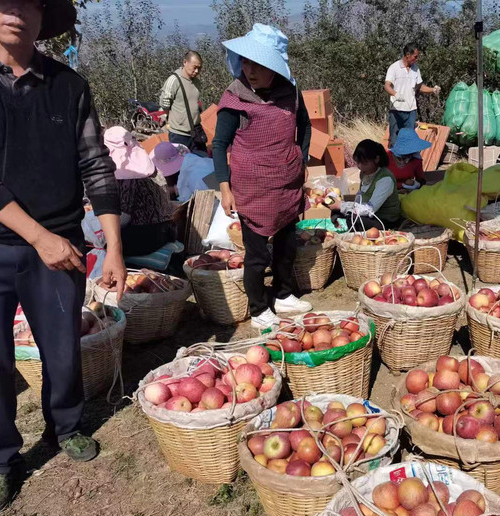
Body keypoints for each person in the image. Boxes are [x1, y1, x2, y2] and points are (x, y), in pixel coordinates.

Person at [0, 0, 126, 514]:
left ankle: (67, 425)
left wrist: (114, 243)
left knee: (60, 345)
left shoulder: (70, 86)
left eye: (31, 2)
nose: (18, 12)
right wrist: (39, 238)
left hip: (59, 243)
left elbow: (96, 163)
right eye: (4, 1)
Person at [212, 24, 312, 330]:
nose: (250, 70)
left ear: (274, 68)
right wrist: (225, 188)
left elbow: (305, 127)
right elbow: (219, 144)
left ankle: (282, 294)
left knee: (286, 244)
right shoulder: (235, 98)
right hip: (252, 190)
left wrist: (302, 160)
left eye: (258, 64)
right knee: (256, 254)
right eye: (246, 61)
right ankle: (258, 309)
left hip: (286, 184)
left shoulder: (291, 93)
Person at [104, 128, 178, 256]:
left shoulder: (127, 175)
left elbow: (123, 218)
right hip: (165, 231)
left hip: (145, 239)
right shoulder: (150, 168)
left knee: (101, 240)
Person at [336, 140, 401, 231]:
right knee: (336, 211)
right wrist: (342, 199)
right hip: (370, 216)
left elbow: (369, 209)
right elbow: (360, 197)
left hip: (384, 220)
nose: (360, 167)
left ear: (377, 159)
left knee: (354, 218)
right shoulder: (365, 174)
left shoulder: (385, 179)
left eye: (365, 163)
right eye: (358, 163)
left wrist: (341, 206)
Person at [384, 43, 441, 145]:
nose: (417, 59)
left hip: (411, 110)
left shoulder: (415, 69)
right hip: (396, 110)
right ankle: (395, 159)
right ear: (407, 55)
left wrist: (432, 90)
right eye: (415, 56)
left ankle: (407, 160)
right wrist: (395, 94)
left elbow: (419, 86)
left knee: (408, 140)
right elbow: (387, 85)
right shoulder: (394, 68)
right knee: (395, 139)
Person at [159, 50, 204, 152]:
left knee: (202, 162)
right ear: (185, 62)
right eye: (194, 67)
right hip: (179, 134)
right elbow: (165, 104)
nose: (197, 71)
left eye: (199, 68)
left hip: (196, 131)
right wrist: (175, 120)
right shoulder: (174, 80)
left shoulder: (197, 82)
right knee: (180, 165)